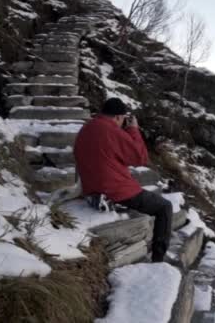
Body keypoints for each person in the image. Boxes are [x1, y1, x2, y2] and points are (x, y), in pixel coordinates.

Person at [74, 98, 172, 262]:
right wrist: (133, 130)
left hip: (92, 186)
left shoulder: (87, 128)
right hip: (115, 189)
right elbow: (140, 158)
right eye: (123, 119)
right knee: (164, 207)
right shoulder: (111, 130)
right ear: (119, 117)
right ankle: (159, 259)